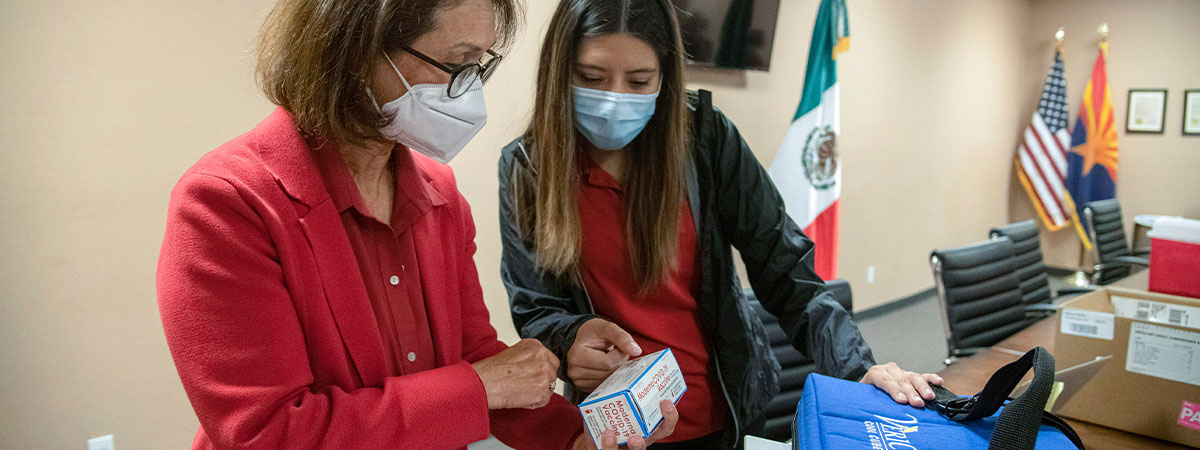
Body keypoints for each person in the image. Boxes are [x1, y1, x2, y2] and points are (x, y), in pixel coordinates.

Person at [155, 0, 675, 448]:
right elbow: (269, 432)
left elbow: (474, 357)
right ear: (357, 47)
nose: (468, 93)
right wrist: (478, 387)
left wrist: (578, 437)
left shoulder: (439, 195)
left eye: (480, 66)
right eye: (456, 64)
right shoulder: (225, 205)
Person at [498, 0, 943, 448]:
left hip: (722, 413)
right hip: (613, 429)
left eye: (639, 82)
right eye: (592, 79)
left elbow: (785, 268)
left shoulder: (706, 141)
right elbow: (536, 306)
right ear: (559, 73)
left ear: (666, 80)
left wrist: (856, 368)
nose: (615, 100)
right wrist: (570, 338)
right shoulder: (526, 169)